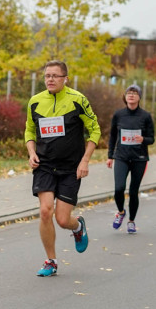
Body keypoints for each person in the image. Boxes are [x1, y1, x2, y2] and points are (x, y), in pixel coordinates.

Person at [24, 60, 100, 277]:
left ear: (66, 78)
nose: (50, 79)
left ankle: (77, 227)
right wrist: (31, 152)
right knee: (45, 211)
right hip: (45, 165)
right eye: (47, 76)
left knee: (62, 219)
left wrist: (85, 160)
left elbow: (94, 130)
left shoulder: (78, 100)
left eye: (55, 76)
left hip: (70, 168)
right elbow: (29, 130)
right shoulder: (35, 102)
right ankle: (51, 261)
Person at [107, 84, 156, 234]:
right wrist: (110, 156)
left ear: (139, 97)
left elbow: (152, 139)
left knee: (133, 191)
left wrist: (143, 139)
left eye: (135, 93)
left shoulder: (145, 116)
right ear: (125, 96)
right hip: (121, 156)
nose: (132, 95)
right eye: (129, 93)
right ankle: (121, 212)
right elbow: (113, 136)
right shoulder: (119, 115)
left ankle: (131, 221)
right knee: (119, 189)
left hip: (139, 158)